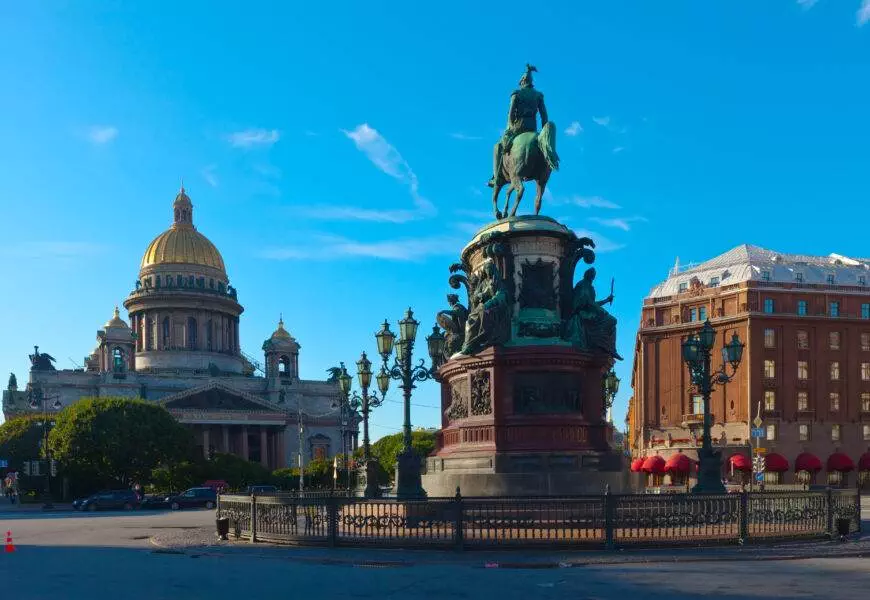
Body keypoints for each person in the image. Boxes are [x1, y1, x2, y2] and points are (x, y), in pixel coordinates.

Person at [488, 64, 549, 187]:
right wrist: (543, 133)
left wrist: (510, 128)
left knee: (497, 147)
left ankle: (496, 178)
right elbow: (544, 116)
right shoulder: (538, 96)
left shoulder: (516, 94)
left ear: (522, 82)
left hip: (517, 129)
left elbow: (510, 114)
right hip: (533, 129)